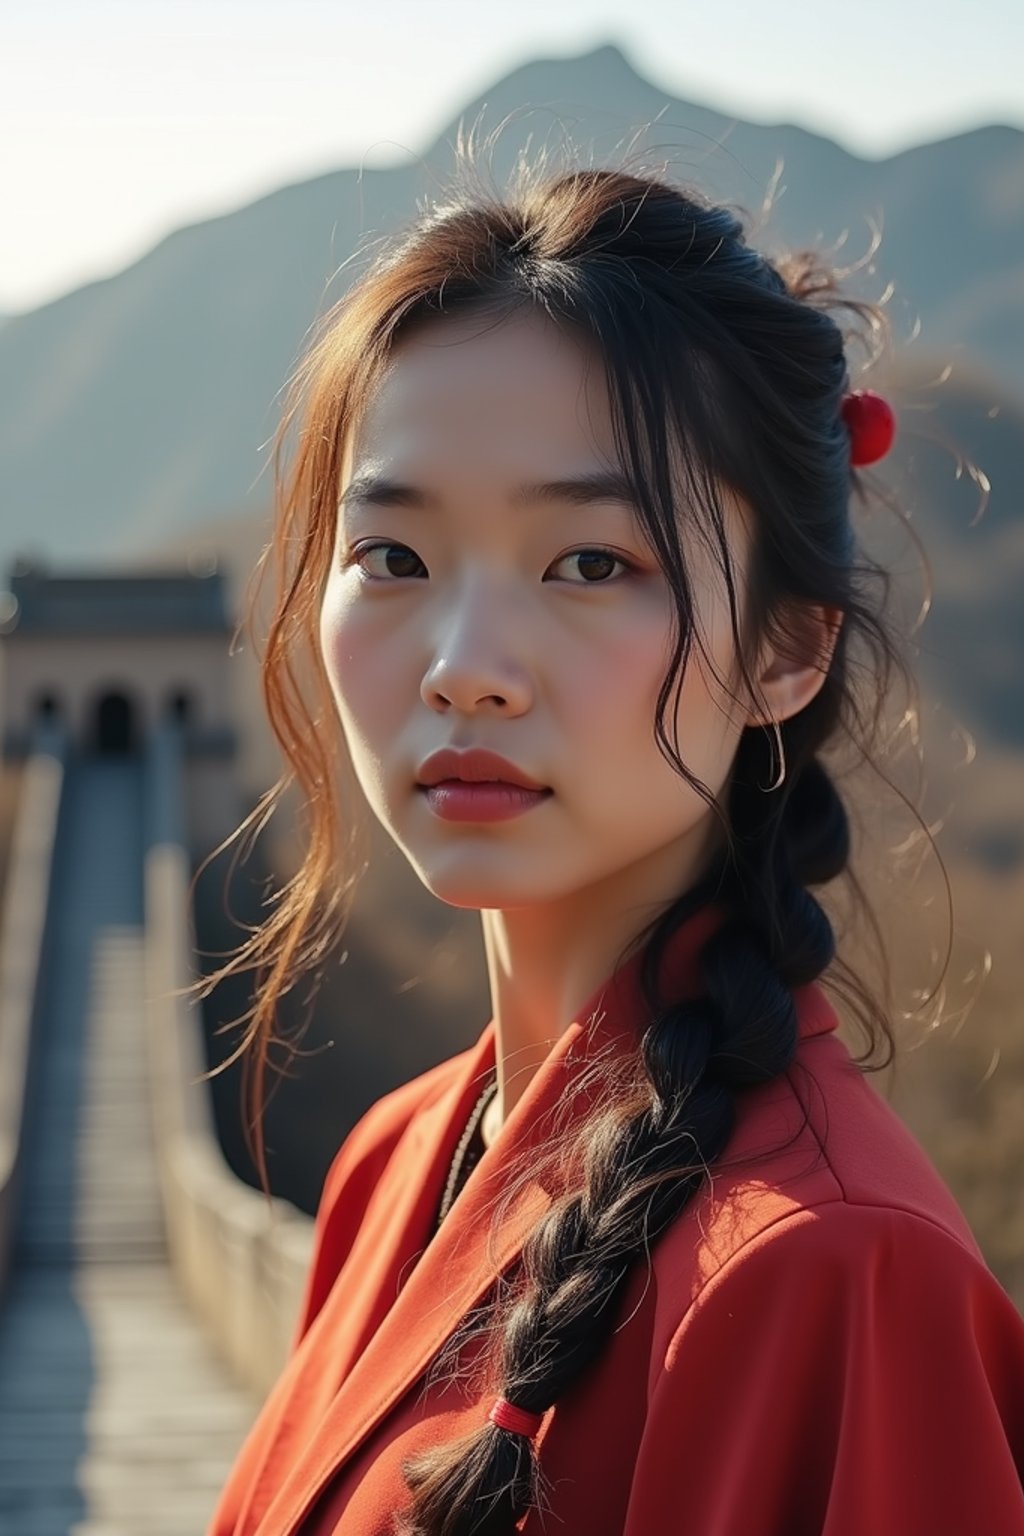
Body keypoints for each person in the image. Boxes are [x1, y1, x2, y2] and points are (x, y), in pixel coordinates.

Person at [201, 140, 1024, 1536]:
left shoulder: (836, 1282)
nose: (464, 667)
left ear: (787, 650)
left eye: (592, 563)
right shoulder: (394, 1164)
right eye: (391, 557)